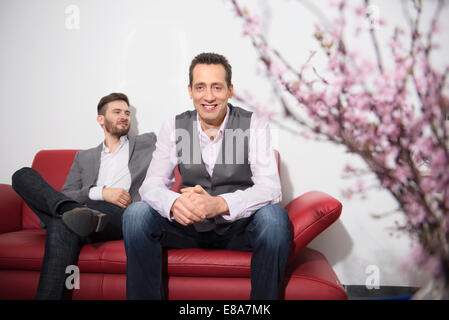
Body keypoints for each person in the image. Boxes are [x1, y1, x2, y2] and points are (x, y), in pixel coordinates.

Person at [122, 53, 291, 300]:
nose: (209, 96)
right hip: (189, 228)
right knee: (135, 214)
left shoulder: (253, 124)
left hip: (237, 229)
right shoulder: (175, 126)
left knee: (275, 219)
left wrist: (220, 204)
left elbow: (271, 188)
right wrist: (174, 203)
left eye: (217, 87)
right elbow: (151, 185)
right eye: (200, 87)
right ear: (190, 91)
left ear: (230, 90)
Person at [11, 92, 156, 299]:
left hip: (119, 214)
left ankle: (66, 213)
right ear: (101, 119)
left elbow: (183, 135)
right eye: (117, 112)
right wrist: (101, 192)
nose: (124, 116)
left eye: (127, 113)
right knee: (22, 175)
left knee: (61, 222)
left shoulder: (147, 142)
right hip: (83, 209)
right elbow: (67, 193)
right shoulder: (84, 157)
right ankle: (68, 211)